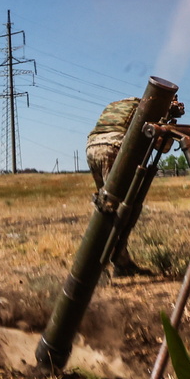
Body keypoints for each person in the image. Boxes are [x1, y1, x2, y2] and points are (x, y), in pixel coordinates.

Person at [84, 97, 149, 276]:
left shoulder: (115, 105)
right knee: (123, 208)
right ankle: (106, 264)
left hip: (92, 147)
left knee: (105, 208)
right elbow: (162, 144)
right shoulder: (147, 106)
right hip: (114, 146)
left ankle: (117, 260)